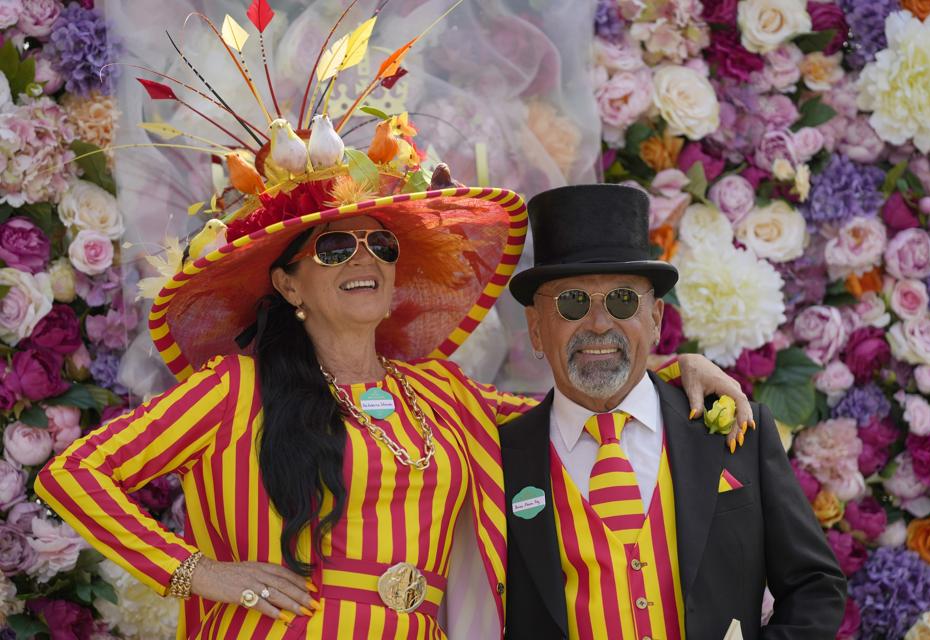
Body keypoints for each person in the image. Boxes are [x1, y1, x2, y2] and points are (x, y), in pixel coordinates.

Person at [32, 12, 752, 633]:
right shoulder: (235, 391)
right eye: (335, 245)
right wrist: (196, 573)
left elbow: (562, 407)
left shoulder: (439, 395)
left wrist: (667, 368)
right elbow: (74, 475)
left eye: (382, 243)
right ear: (288, 283)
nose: (365, 255)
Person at [500, 184, 847, 640]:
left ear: (657, 318)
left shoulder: (735, 428)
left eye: (623, 300)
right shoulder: (499, 457)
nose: (600, 324)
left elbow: (815, 586)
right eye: (572, 302)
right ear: (536, 329)